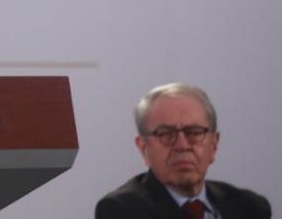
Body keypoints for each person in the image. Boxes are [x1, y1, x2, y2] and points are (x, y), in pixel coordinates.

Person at [95, 82, 271, 219]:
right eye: (165, 134)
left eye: (194, 132)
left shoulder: (250, 207)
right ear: (143, 147)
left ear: (214, 145)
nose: (182, 145)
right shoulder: (123, 210)